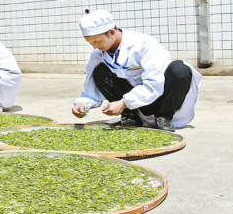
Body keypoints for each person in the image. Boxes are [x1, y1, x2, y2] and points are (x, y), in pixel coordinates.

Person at [71, 10, 203, 131]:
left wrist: (123, 103)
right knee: (99, 71)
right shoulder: (98, 53)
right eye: (90, 43)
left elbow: (154, 83)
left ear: (111, 32)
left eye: (98, 41)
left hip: (159, 97)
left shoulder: (144, 44)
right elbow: (91, 83)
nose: (95, 46)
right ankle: (131, 116)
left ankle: (163, 116)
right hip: (131, 103)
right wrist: (83, 103)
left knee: (180, 69)